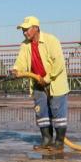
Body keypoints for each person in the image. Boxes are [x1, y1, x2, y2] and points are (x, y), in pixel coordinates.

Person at [11, 16, 69, 150]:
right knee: (41, 112)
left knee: (57, 112)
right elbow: (21, 61)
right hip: (37, 82)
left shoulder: (51, 40)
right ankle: (46, 140)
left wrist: (47, 78)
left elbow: (59, 63)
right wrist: (16, 70)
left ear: (36, 28)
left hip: (54, 82)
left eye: (27, 29)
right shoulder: (25, 45)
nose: (24, 32)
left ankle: (59, 143)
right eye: (23, 30)